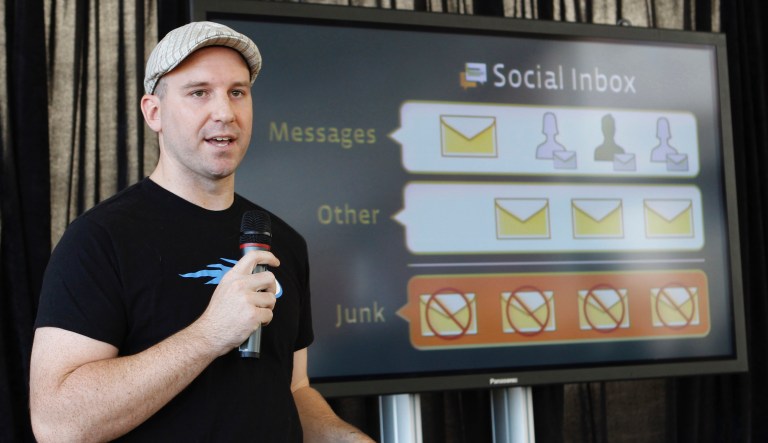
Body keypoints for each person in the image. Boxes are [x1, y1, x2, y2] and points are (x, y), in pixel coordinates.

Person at [29, 21, 374, 442]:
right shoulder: (100, 240)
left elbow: (292, 391)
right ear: (153, 112)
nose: (225, 112)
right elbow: (57, 425)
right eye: (199, 93)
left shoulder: (281, 240)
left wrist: (347, 438)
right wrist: (210, 334)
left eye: (237, 92)